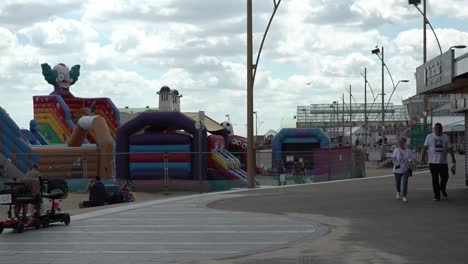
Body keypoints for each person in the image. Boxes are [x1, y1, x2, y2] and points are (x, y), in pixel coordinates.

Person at [421, 123, 456, 201]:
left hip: (443, 162)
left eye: (439, 130)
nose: (438, 131)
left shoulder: (446, 137)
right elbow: (424, 148)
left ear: (442, 129)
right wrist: (422, 159)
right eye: (436, 130)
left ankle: (442, 188)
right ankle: (437, 196)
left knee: (445, 177)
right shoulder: (429, 137)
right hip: (432, 162)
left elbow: (450, 148)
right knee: (435, 179)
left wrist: (453, 158)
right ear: (434, 129)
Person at [392, 137, 415, 203]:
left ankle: (404, 196)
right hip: (397, 169)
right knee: (398, 182)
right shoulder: (396, 150)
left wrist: (412, 163)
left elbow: (412, 158)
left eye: (402, 142)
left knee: (405, 182)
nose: (400, 143)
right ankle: (398, 192)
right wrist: (396, 163)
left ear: (405, 143)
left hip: (405, 169)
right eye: (399, 142)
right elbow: (393, 158)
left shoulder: (408, 151)